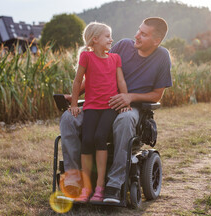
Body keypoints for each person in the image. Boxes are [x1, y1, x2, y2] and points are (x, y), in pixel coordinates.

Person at [60, 17, 172, 204]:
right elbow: (98, 70)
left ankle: (113, 184)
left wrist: (130, 97)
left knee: (125, 120)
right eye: (138, 30)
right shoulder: (123, 46)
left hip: (131, 107)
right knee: (68, 119)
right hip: (99, 103)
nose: (136, 35)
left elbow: (157, 95)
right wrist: (74, 96)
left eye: (143, 34)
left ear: (156, 41)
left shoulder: (162, 57)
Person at [68, 22, 130, 202]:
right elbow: (77, 81)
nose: (111, 39)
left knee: (99, 137)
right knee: (87, 139)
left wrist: (125, 98)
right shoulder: (86, 57)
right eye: (107, 36)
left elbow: (121, 82)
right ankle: (86, 187)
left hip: (110, 106)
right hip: (92, 106)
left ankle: (100, 187)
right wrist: (73, 104)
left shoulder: (115, 58)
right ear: (94, 39)